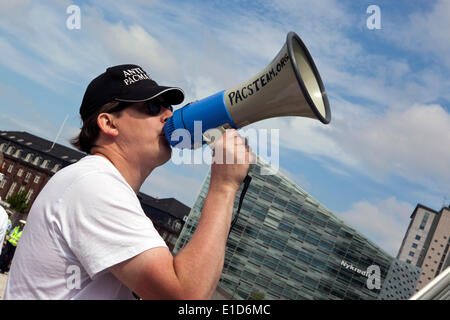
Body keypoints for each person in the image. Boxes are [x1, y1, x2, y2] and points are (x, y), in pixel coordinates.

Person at [4, 64, 251, 299]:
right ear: (109, 123)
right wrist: (224, 188)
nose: (168, 115)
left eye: (168, 107)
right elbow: (186, 295)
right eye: (153, 107)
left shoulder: (94, 182)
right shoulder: (94, 185)